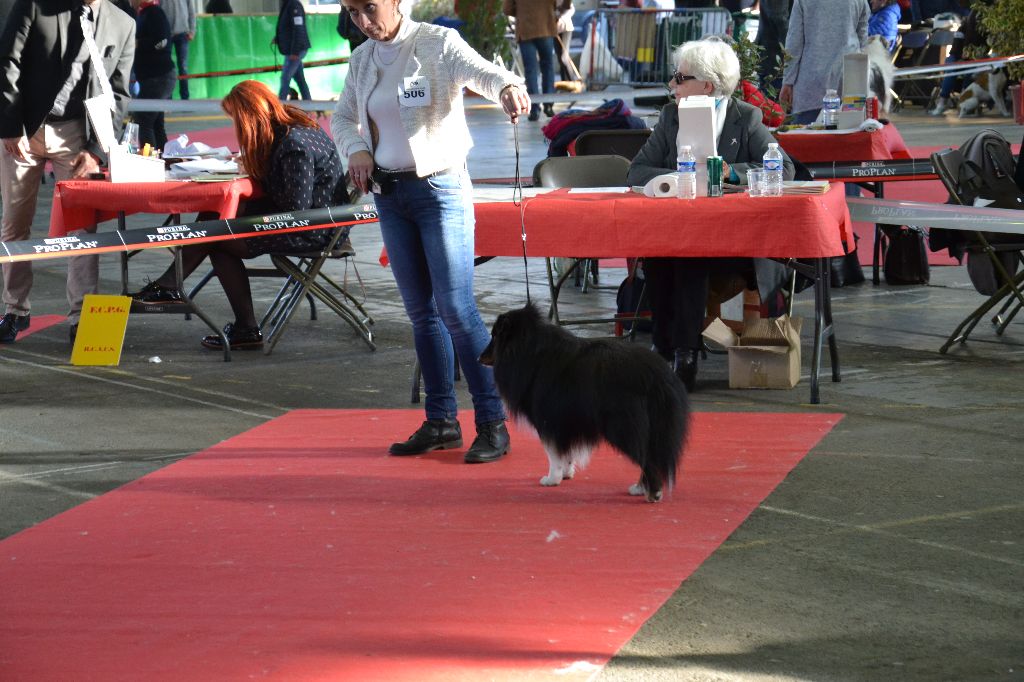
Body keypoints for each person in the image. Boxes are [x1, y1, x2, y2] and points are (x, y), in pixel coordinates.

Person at [332, 0, 531, 462]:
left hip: (440, 190)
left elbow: (486, 73)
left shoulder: (438, 43)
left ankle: (492, 423)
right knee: (422, 314)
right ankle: (441, 421)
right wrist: (357, 149)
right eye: (352, 12)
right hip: (389, 196)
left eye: (369, 8)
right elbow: (343, 117)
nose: (362, 21)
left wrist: (506, 87)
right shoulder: (362, 58)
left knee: (456, 309)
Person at [626, 36, 796, 391]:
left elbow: (785, 169)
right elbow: (637, 171)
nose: (672, 85)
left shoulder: (745, 117)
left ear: (707, 84)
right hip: (680, 233)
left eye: (680, 78)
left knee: (689, 255)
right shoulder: (671, 116)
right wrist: (679, 176)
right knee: (661, 254)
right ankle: (663, 347)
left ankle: (685, 355)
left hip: (735, 241)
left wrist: (732, 172)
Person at [129, 80, 350, 350]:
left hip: (313, 229)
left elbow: (296, 210)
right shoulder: (290, 127)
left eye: (235, 120)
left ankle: (238, 322)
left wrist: (259, 176)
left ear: (248, 118)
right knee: (212, 220)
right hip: (313, 218)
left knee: (217, 238)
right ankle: (173, 286)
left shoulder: (294, 144)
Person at [0, 0, 135, 344]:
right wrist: (10, 126)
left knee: (80, 228)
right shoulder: (35, 6)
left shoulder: (123, 24)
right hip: (25, 128)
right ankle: (15, 309)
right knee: (15, 222)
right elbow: (8, 62)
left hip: (77, 133)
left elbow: (117, 94)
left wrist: (95, 152)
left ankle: (81, 315)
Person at [780, 0, 868, 125]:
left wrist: (787, 81)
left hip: (810, 87)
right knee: (848, 138)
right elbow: (863, 41)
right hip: (847, 83)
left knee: (807, 141)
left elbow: (794, 42)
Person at [503, 0, 569, 121]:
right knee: (548, 67)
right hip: (546, 26)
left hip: (525, 29)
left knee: (530, 70)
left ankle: (534, 108)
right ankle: (548, 104)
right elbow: (566, 3)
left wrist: (522, 12)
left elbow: (507, 9)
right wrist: (557, 11)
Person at [131, 0, 175, 150]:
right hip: (154, 77)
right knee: (155, 122)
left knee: (143, 120)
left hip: (158, 76)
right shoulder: (143, 14)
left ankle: (150, 160)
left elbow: (161, 41)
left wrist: (137, 43)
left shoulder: (154, 13)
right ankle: (164, 158)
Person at [274, 0, 311, 101]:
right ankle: (310, 106)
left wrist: (295, 52)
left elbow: (298, 29)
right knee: (300, 80)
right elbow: (288, 27)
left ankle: (280, 107)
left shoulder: (293, 5)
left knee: (285, 78)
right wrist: (278, 38)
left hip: (295, 50)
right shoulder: (288, 4)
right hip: (294, 49)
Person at [160, 0, 193, 99]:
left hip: (182, 33)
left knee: (183, 66)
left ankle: (185, 98)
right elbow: (157, 10)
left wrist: (192, 30)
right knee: (166, 68)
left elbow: (191, 10)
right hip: (165, 33)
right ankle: (168, 98)